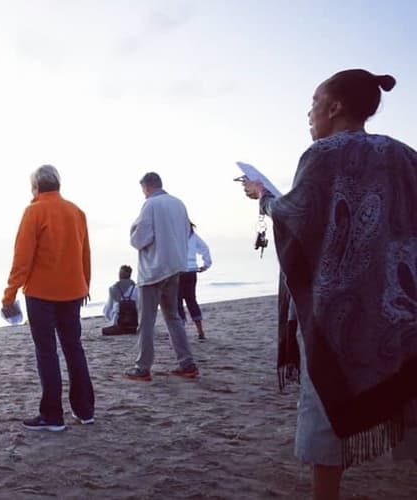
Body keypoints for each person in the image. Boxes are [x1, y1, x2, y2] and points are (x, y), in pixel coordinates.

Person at [242, 69, 417, 500]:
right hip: (404, 303)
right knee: (411, 400)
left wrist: (263, 196)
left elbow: (297, 215)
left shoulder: (322, 155)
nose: (310, 113)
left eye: (314, 103)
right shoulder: (404, 155)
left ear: (335, 107)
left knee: (325, 408)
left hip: (339, 310)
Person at [2, 165, 95, 431]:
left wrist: (9, 294)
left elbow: (22, 259)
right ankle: (85, 410)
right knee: (73, 348)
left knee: (47, 352)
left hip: (42, 293)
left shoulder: (33, 211)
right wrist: (85, 284)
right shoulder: (76, 212)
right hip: (73, 291)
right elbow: (84, 253)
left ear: (35, 187)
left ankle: (53, 416)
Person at [123, 172, 199, 382]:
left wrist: (132, 229)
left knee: (146, 321)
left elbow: (140, 239)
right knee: (173, 316)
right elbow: (186, 232)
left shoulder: (150, 205)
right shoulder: (178, 203)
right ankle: (187, 363)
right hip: (175, 266)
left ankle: (143, 367)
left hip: (154, 269)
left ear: (147, 187)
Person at [178, 223, 212, 340]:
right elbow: (205, 248)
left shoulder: (174, 234)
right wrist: (206, 265)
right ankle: (200, 331)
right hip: (191, 270)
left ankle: (181, 333)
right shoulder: (192, 236)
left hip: (178, 271)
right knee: (191, 300)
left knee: (178, 302)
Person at [101, 265, 138, 335]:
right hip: (135, 323)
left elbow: (107, 311)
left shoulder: (113, 288)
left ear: (120, 275)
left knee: (104, 330)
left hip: (120, 324)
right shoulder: (137, 288)